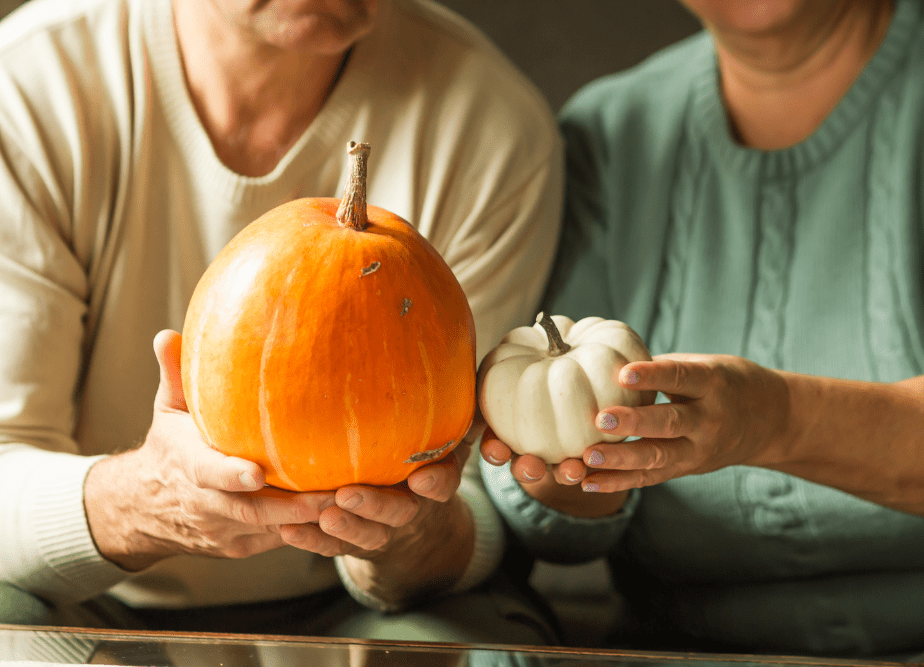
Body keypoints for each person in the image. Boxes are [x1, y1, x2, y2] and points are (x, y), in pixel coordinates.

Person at [0, 0, 563, 648]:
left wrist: (406, 534)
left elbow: (476, 502)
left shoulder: (491, 127)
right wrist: (144, 500)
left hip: (355, 612)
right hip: (84, 598)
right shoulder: (29, 86)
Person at [480, 0, 924, 664]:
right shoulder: (608, 134)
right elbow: (567, 525)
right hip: (672, 653)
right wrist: (567, 468)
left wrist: (774, 419)